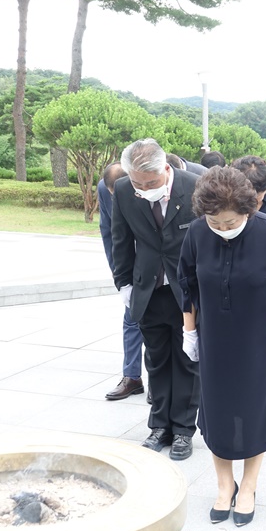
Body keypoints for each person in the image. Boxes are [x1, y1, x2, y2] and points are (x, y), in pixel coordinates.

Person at [178, 166, 266, 527]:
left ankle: (248, 486)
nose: (223, 228)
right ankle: (222, 485)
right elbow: (188, 285)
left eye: (231, 222)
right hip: (214, 336)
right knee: (216, 411)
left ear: (248, 210)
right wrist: (189, 332)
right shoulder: (199, 232)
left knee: (255, 411)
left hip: (259, 339)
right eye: (216, 222)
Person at [111, 139, 202, 461]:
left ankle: (183, 430)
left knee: (188, 360)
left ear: (166, 169)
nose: (143, 188)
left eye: (150, 184)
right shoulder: (123, 190)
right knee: (157, 360)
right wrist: (123, 284)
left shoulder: (194, 186)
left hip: (188, 291)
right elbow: (119, 240)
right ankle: (159, 426)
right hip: (148, 289)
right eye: (138, 183)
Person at [97, 163, 146, 402]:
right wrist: (120, 275)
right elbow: (109, 232)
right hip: (129, 265)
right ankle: (132, 376)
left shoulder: (149, 184)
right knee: (132, 318)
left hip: (157, 264)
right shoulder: (104, 188)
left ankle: (160, 381)